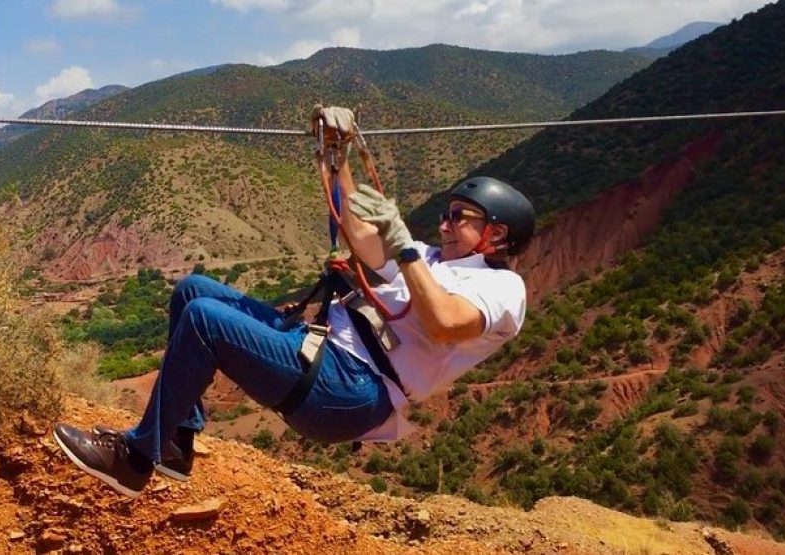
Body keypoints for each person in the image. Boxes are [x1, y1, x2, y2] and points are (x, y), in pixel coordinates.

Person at [52, 107, 536, 497]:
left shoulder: (503, 291)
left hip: (353, 390)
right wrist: (338, 157)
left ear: (495, 235)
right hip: (324, 356)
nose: (447, 222)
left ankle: (135, 460)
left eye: (461, 216)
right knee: (192, 292)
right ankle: (176, 440)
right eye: (448, 213)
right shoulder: (431, 258)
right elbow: (362, 234)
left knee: (203, 321)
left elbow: (446, 323)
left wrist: (406, 247)